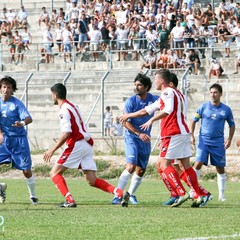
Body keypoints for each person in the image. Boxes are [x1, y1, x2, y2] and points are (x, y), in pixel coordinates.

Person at [43, 83, 129, 208]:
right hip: (87, 144)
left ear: (55, 95)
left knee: (54, 173)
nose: (52, 97)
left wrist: (52, 149)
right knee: (92, 180)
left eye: (52, 95)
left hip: (76, 144)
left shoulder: (63, 110)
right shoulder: (74, 106)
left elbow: (67, 132)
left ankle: (69, 200)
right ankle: (120, 193)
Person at [140, 69, 206, 207]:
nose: (154, 81)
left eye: (156, 79)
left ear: (164, 81)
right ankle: (198, 195)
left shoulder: (167, 92)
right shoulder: (180, 95)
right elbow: (152, 109)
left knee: (164, 165)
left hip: (172, 133)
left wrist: (151, 120)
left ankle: (180, 193)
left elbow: (168, 110)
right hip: (182, 132)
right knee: (185, 166)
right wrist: (129, 116)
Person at [112, 73, 158, 205]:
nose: (136, 87)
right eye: (135, 85)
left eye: (139, 85)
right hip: (132, 137)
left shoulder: (154, 99)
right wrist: (139, 133)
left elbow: (167, 104)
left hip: (145, 139)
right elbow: (125, 122)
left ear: (147, 87)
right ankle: (118, 195)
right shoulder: (131, 102)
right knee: (131, 166)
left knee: (141, 169)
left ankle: (130, 194)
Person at [190, 83, 235, 202]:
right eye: (211, 92)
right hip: (203, 141)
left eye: (215, 92)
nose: (213, 95)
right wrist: (192, 135)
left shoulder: (226, 109)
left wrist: (229, 139)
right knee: (198, 163)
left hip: (218, 143)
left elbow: (232, 125)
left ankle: (221, 195)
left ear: (220, 94)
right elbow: (193, 121)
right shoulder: (203, 107)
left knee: (220, 168)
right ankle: (193, 190)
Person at [0, 76, 38, 204]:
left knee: (26, 170)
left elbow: (29, 118)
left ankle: (33, 196)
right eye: (4, 87)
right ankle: (0, 188)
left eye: (9, 87)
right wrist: (0, 134)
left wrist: (21, 123)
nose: (6, 90)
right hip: (4, 140)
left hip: (19, 140)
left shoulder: (17, 104)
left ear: (12, 90)